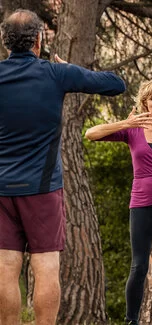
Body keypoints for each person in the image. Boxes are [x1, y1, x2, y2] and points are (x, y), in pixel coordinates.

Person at [0, 9, 126, 325]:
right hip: (43, 191)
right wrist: (68, 69)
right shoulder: (56, 74)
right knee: (46, 267)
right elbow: (116, 84)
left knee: (4, 268)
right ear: (38, 41)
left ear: (6, 44)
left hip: (1, 190)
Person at [85, 77, 152, 325]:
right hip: (142, 202)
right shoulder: (132, 130)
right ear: (145, 102)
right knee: (138, 266)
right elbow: (91, 134)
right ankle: (131, 321)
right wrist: (125, 122)